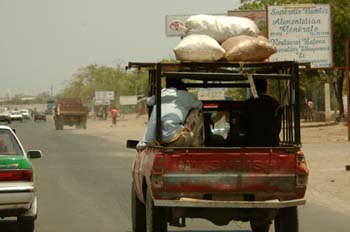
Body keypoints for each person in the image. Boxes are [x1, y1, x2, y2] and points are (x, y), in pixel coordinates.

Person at [137, 79, 203, 149]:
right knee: (197, 112)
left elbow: (149, 102)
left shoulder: (161, 95)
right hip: (179, 140)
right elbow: (200, 105)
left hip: (160, 141)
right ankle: (196, 145)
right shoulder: (187, 96)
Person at [239, 78, 281, 146]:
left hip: (251, 143)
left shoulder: (247, 104)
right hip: (272, 143)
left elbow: (242, 126)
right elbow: (278, 126)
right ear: (267, 87)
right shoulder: (275, 104)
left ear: (253, 88)